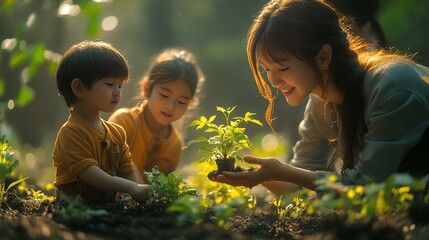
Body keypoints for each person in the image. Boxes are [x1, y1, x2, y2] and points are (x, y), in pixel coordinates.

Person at [214, 0, 429, 196]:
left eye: (282, 67)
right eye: (266, 69)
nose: (273, 81)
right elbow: (299, 180)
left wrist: (284, 172)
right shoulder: (321, 102)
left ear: (323, 57)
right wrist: (257, 176)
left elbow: (366, 185)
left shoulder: (392, 88)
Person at [52, 40, 151, 204]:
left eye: (120, 86)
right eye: (110, 84)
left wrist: (138, 193)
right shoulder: (71, 132)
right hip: (75, 209)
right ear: (79, 88)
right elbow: (90, 173)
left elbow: (127, 169)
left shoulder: (117, 132)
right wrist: (131, 188)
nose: (117, 92)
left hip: (107, 207)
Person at [108, 48, 205, 183]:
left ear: (190, 103)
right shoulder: (124, 122)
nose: (170, 106)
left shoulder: (175, 145)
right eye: (164, 95)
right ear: (146, 88)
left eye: (181, 102)